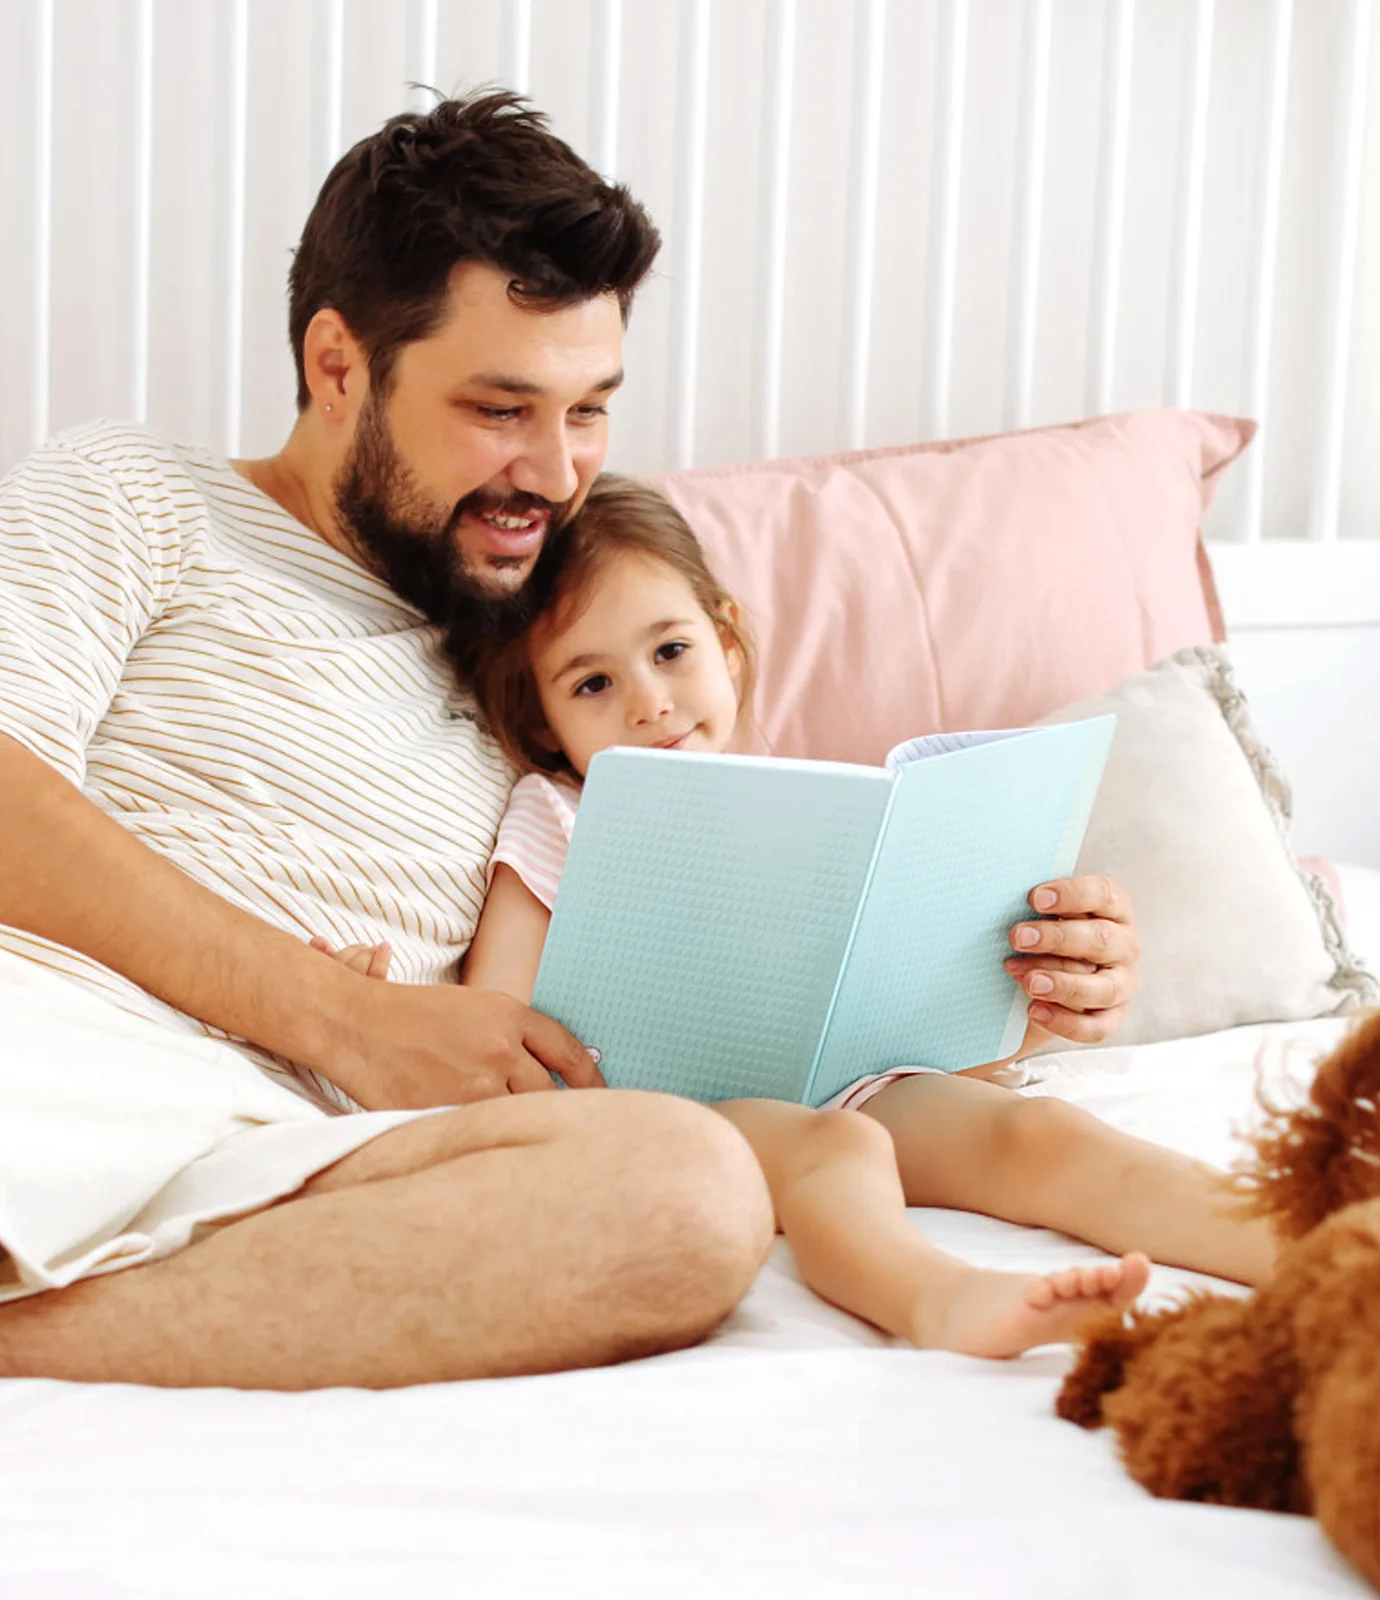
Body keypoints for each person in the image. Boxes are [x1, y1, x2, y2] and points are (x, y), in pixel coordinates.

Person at [0, 93, 1144, 1389]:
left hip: (301, 1165)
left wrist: (1013, 983)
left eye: (589, 409)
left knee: (688, 1192)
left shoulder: (551, 671)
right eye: (501, 409)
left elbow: (718, 1025)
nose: (554, 473)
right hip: (56, 1058)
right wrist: (330, 1015)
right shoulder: (133, 494)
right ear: (337, 366)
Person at [422, 476, 1274, 1356]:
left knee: (1037, 1131)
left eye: (670, 652)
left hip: (850, 1084)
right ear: (548, 722)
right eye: (593, 682)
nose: (649, 701)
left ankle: (1309, 1242)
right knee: (836, 1150)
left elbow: (927, 1036)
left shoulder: (816, 803)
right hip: (662, 1115)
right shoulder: (558, 812)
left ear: (726, 640)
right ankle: (937, 1299)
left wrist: (1029, 994)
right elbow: (494, 1018)